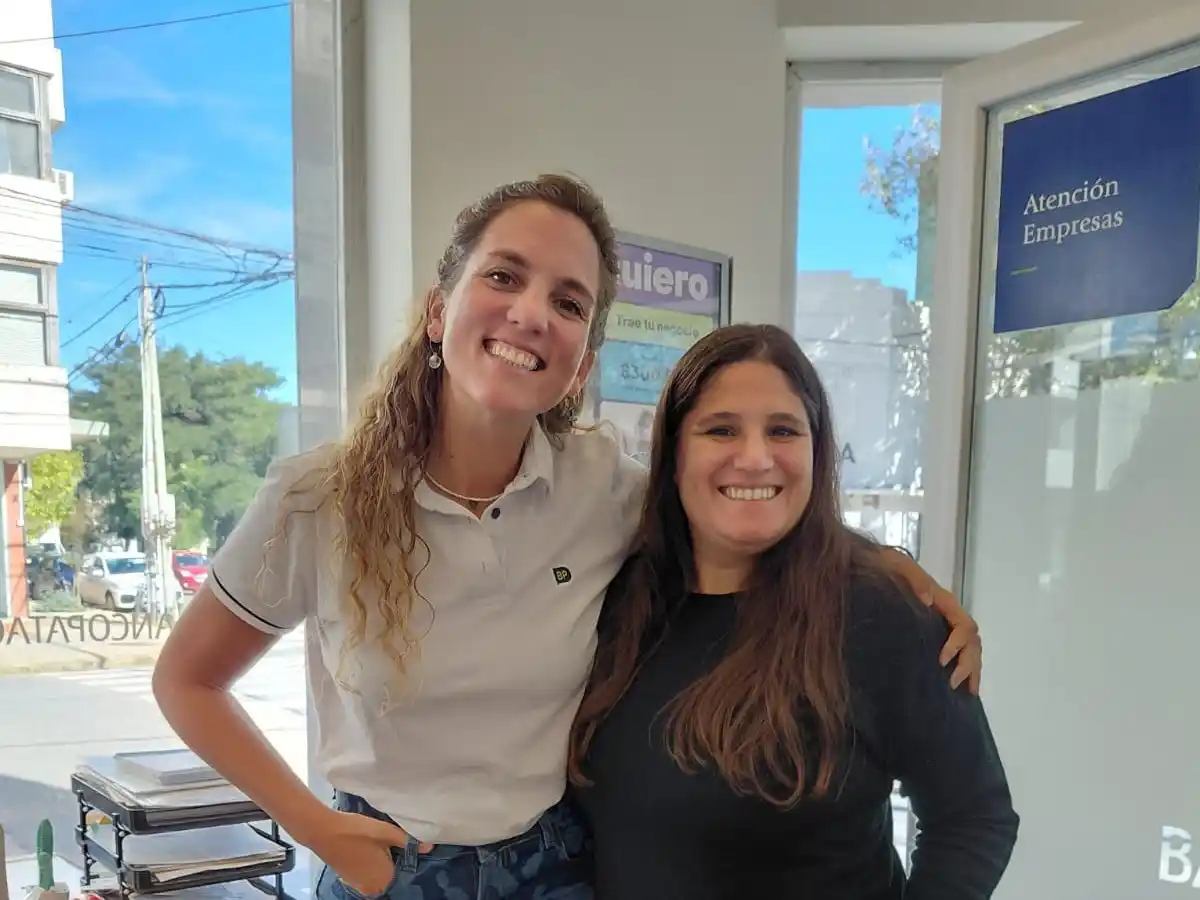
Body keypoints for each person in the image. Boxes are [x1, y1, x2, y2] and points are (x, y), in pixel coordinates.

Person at [152, 174, 984, 900]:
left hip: (557, 868)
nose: (530, 314)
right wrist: (310, 824)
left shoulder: (604, 488)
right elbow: (188, 681)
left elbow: (737, 497)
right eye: (504, 276)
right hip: (391, 866)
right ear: (439, 311)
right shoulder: (317, 500)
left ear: (582, 364)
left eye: (568, 302)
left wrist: (894, 569)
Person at [569, 323, 1019, 899]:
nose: (756, 458)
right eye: (721, 429)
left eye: (783, 430)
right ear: (674, 453)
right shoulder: (614, 596)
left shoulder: (881, 616)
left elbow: (974, 816)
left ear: (816, 450)